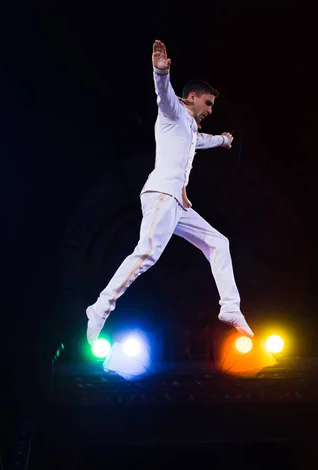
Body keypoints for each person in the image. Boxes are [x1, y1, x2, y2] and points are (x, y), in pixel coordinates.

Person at [86, 40, 254, 344]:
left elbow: (199, 140)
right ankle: (100, 307)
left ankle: (230, 308)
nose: (210, 110)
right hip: (162, 196)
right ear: (192, 98)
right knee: (147, 253)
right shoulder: (173, 112)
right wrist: (159, 73)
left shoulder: (188, 128)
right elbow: (163, 96)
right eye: (208, 103)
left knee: (218, 243)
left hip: (179, 205)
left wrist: (222, 140)